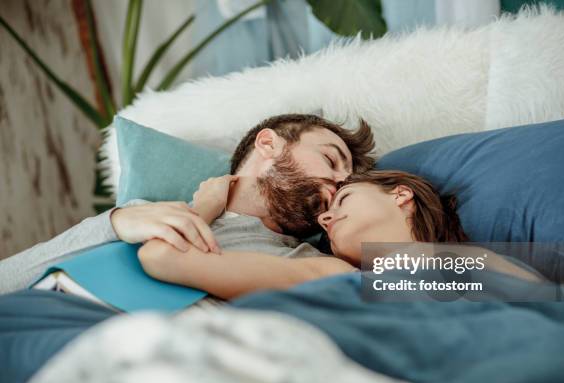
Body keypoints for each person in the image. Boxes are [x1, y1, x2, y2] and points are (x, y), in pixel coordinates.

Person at [0, 113, 376, 296]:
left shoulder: (314, 262)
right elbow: (8, 280)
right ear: (268, 144)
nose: (340, 182)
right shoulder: (142, 214)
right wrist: (116, 223)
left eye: (348, 182)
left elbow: (430, 270)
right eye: (331, 160)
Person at [139, 170, 541, 299]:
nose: (326, 220)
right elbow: (160, 257)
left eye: (343, 198)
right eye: (325, 221)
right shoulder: (333, 273)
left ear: (401, 195)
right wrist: (205, 208)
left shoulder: (479, 262)